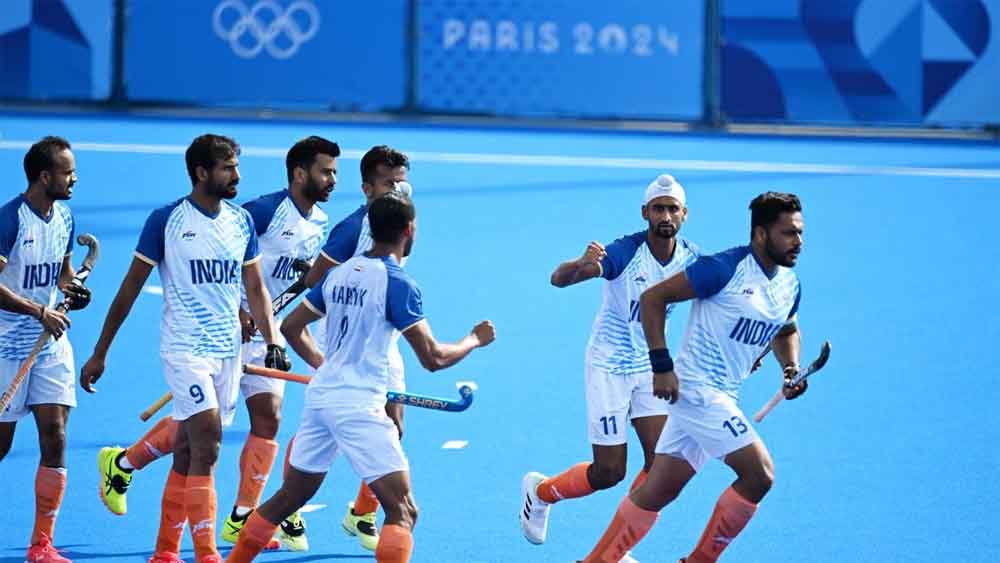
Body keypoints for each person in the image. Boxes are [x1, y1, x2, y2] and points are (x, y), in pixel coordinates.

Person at [92, 136, 339, 551]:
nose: (333, 180)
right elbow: (136, 284)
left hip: (255, 335)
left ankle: (238, 517)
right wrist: (101, 351)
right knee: (200, 434)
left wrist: (274, 335)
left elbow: (262, 284)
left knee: (264, 419)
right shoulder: (258, 212)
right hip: (211, 338)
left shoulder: (314, 223)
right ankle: (130, 469)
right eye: (326, 171)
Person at [226, 191, 495, 563]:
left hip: (321, 400)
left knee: (289, 497)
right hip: (359, 407)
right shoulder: (398, 283)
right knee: (403, 510)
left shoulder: (338, 274)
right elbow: (433, 358)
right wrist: (473, 340)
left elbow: (290, 327)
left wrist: (326, 366)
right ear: (409, 230)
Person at [578, 191, 807, 563]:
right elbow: (653, 298)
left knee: (658, 491)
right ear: (761, 234)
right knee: (759, 474)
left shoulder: (790, 285)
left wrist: (790, 368)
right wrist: (662, 366)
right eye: (788, 233)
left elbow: (785, 331)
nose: (798, 241)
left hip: (724, 394)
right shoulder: (723, 269)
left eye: (800, 232)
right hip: (697, 391)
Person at [521, 175, 699, 553]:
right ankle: (541, 493)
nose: (666, 216)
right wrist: (581, 263)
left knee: (661, 466)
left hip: (650, 366)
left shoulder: (691, 259)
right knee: (609, 472)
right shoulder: (624, 252)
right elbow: (559, 279)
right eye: (658, 208)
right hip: (609, 367)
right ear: (645, 212)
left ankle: (614, 548)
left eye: (672, 209)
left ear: (684, 214)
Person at [288, 145, 411, 551]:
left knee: (393, 427)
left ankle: (362, 513)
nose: (398, 190)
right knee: (323, 426)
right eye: (389, 183)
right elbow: (316, 282)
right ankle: (290, 507)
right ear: (367, 187)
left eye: (402, 183)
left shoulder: (401, 223)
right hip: (341, 341)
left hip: (382, 340)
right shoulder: (351, 229)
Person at [0, 136, 92, 563]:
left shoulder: (65, 218)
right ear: (43, 176)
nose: (74, 179)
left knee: (55, 435)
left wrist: (73, 290)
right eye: (67, 172)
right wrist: (38, 311)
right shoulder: (10, 221)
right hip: (6, 346)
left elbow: (63, 275)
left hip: (50, 346)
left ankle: (42, 544)